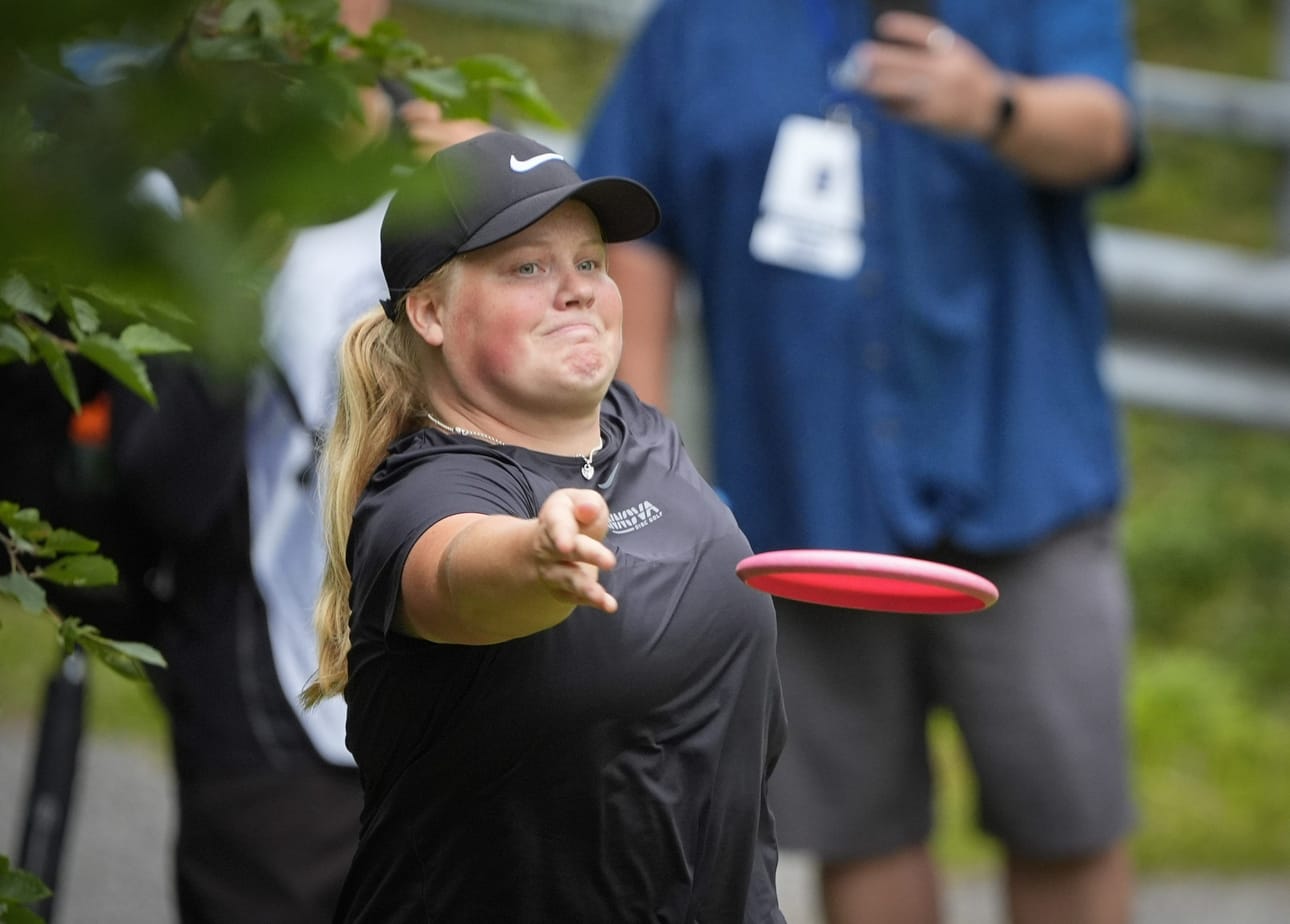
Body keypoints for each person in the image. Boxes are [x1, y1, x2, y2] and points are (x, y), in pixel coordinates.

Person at [577, 2, 1141, 923]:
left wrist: (996, 105)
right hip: (805, 494)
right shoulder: (700, 23)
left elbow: (1108, 131)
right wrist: (641, 460)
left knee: (1064, 819)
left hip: (1025, 477)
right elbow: (634, 220)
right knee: (858, 830)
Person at [301, 129, 788, 922]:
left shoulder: (635, 425)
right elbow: (457, 571)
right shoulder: (422, 493)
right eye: (528, 267)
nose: (577, 290)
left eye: (589, 262)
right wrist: (536, 557)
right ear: (430, 311)